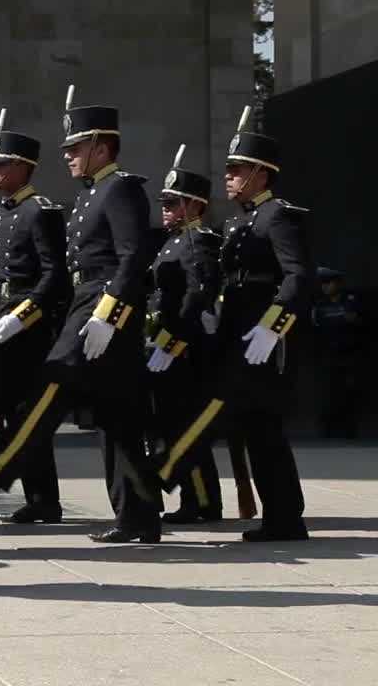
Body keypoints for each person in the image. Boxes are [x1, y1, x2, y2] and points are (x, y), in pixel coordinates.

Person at [0, 93, 163, 543]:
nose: (67, 157)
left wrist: (108, 315)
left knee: (52, 381)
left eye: (74, 148)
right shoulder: (92, 193)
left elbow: (132, 258)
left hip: (102, 304)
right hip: (88, 301)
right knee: (119, 420)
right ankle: (139, 516)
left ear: (100, 146)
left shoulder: (121, 188)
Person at [153, 112, 315, 541]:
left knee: (217, 413)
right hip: (235, 333)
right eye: (227, 169)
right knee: (262, 434)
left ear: (262, 174)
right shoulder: (237, 223)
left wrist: (274, 326)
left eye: (236, 169)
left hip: (261, 337)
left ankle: (155, 480)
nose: (228, 176)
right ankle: (284, 518)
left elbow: (298, 276)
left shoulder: (278, 216)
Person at [0, 116, 69, 525]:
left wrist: (24, 316)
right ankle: (41, 499)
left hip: (30, 328)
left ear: (23, 167)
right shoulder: (6, 214)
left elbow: (53, 275)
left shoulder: (39, 212)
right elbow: (1, 271)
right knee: (17, 414)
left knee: (8, 403)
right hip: (5, 317)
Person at [145, 152, 225, 524]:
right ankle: (197, 499)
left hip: (185, 350)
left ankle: (204, 502)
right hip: (166, 342)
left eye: (173, 202)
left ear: (195, 205)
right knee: (173, 424)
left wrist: (172, 343)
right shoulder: (173, 242)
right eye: (164, 202)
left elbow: (197, 298)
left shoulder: (199, 242)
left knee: (184, 426)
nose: (165, 208)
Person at [311, 267, 363, 438]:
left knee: (349, 391)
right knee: (328, 392)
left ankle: (349, 429)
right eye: (323, 283)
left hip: (349, 353)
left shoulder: (352, 301)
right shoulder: (320, 304)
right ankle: (328, 429)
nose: (325, 287)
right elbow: (316, 325)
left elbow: (356, 321)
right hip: (328, 354)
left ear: (338, 283)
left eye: (329, 283)